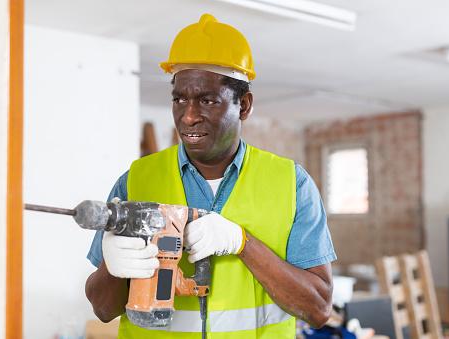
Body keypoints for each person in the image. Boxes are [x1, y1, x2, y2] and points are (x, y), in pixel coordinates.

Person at [85, 13, 336, 338]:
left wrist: (242, 243)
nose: (188, 116)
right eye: (179, 100)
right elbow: (102, 310)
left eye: (207, 100)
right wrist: (114, 267)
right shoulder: (135, 181)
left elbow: (318, 310)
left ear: (243, 106)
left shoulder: (291, 184)